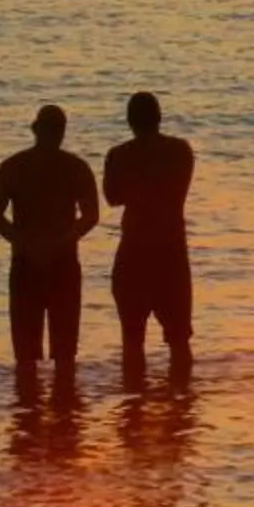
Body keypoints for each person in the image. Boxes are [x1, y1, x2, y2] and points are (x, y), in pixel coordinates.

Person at [0, 105, 98, 394]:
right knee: (61, 357)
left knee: (31, 359)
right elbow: (90, 216)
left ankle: (30, 414)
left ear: (36, 129)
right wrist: (60, 243)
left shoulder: (14, 166)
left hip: (32, 263)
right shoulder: (74, 167)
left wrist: (26, 244)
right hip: (56, 263)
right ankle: (62, 412)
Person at [103, 91, 199, 387]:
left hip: (134, 251)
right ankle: (181, 400)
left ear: (129, 121)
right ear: (159, 118)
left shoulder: (119, 155)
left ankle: (134, 401)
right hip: (171, 252)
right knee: (179, 339)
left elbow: (112, 197)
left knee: (132, 339)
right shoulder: (180, 151)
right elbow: (176, 188)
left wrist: (137, 184)